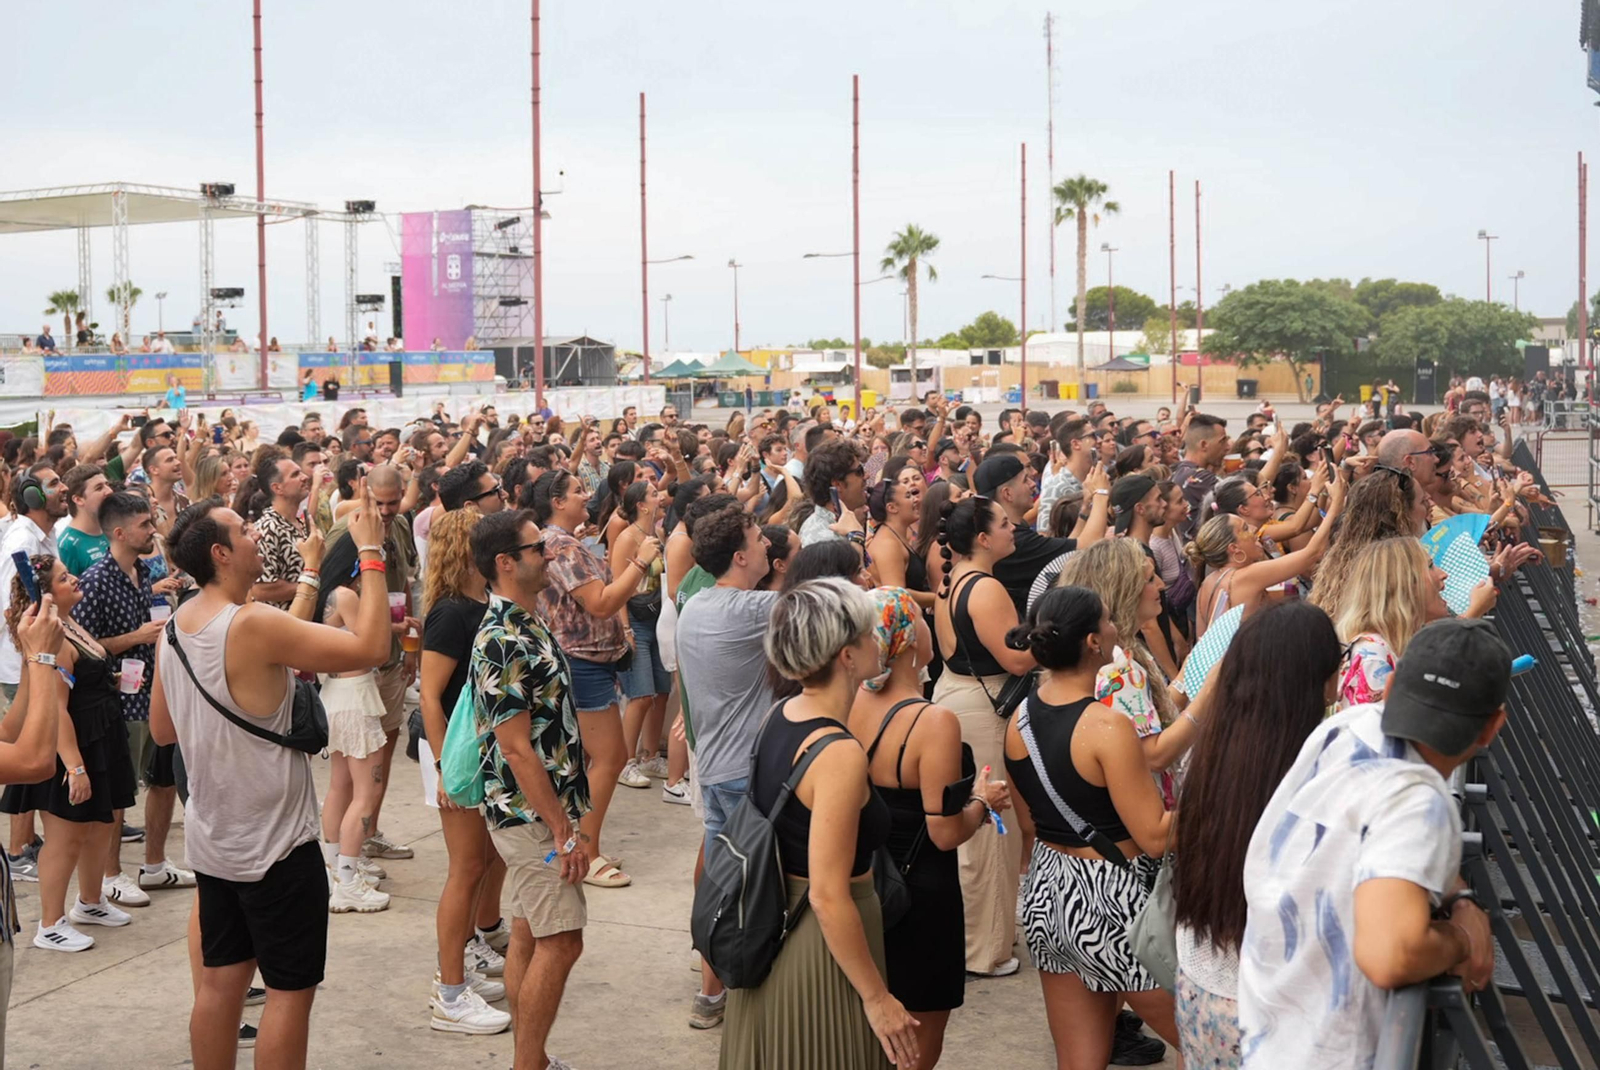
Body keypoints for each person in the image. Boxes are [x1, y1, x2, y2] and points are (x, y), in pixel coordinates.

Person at [149, 485, 390, 1070]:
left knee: (218, 986)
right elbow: (373, 645)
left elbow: (162, 731)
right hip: (276, 845)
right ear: (220, 555)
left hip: (213, 842)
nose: (256, 534)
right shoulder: (251, 623)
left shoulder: (177, 626)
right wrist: (370, 551)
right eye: (244, 531)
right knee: (288, 993)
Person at [1237, 619, 1502, 1068]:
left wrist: (1458, 896)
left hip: (1267, 1028)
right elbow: (1389, 955)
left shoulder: (1346, 727)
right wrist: (1462, 938)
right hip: (1334, 1052)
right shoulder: (1418, 800)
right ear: (1492, 727)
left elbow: (1367, 839)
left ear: (1393, 684)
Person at [720, 578, 918, 1070]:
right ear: (846, 656)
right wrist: (877, 998)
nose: (878, 641)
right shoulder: (837, 753)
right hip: (821, 950)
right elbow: (828, 895)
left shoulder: (780, 715)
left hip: (779, 932)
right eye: (869, 634)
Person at [1003, 585, 1179, 1069]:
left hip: (1049, 894)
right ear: (1093, 643)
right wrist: (1222, 803)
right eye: (1107, 620)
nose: (1114, 626)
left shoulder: (1017, 720)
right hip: (1113, 902)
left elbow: (1029, 824)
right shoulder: (1106, 725)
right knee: (1208, 1042)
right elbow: (1155, 835)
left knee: (1079, 1061)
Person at [1171, 602, 1342, 1068]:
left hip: (1201, 988)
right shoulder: (1316, 774)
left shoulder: (1207, 756)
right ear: (1318, 680)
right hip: (1272, 1008)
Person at [847, 587, 1010, 1068]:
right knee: (918, 1045)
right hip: (921, 896)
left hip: (867, 884)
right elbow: (944, 831)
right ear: (903, 638)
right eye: (919, 617)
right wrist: (983, 802)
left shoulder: (854, 701)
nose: (928, 624)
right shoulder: (934, 721)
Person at [468, 509, 591, 1070]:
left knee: (527, 932)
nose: (549, 553)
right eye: (536, 547)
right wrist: (563, 831)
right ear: (505, 562)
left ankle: (531, 1058)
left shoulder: (527, 619)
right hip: (529, 817)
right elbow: (516, 748)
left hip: (537, 811)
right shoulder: (499, 639)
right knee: (562, 940)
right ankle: (528, 1064)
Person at [528, 470, 659, 889]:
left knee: (588, 762)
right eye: (576, 492)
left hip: (591, 659)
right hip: (581, 661)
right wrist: (641, 562)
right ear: (556, 501)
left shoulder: (565, 542)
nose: (586, 495)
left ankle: (578, 842)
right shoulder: (560, 545)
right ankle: (588, 849)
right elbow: (600, 602)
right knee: (610, 757)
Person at [0, 556, 138, 950]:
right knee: (66, 835)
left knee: (99, 826)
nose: (75, 578)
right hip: (70, 746)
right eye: (64, 577)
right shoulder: (53, 642)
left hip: (100, 737)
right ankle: (50, 922)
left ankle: (90, 901)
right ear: (47, 596)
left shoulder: (70, 626)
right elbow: (55, 709)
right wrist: (74, 767)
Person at [674, 505, 775, 1029]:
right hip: (743, 774)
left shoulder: (698, 604)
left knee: (721, 884)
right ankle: (750, 996)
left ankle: (709, 996)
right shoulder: (749, 609)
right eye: (760, 539)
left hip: (713, 768)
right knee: (756, 895)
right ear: (740, 557)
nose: (767, 546)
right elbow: (831, 605)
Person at [930, 496, 1036, 978]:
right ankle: (986, 950)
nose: (1014, 527)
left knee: (977, 826)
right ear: (982, 537)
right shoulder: (986, 587)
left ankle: (977, 938)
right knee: (993, 831)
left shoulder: (952, 580)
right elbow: (1016, 659)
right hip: (984, 707)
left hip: (957, 695)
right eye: (1005, 523)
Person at [418, 506, 512, 1033]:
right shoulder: (453, 611)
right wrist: (442, 769)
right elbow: (430, 695)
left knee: (486, 860)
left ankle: (465, 963)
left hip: (479, 754)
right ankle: (449, 991)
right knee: (465, 869)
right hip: (455, 757)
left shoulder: (482, 602)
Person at [74, 492, 192, 906]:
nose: (153, 530)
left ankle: (154, 866)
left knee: (159, 779)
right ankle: (110, 875)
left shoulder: (143, 573)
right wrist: (136, 637)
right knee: (117, 793)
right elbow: (84, 649)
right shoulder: (95, 581)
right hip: (117, 703)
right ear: (120, 532)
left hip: (153, 694)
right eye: (145, 525)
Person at [323, 465, 420, 863]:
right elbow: (332, 603)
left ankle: (362, 841)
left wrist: (410, 648)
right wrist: (392, 631)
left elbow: (404, 586)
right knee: (354, 782)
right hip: (355, 672)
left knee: (374, 764)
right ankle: (348, 861)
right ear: (363, 494)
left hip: (388, 662)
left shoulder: (398, 527)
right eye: (377, 503)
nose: (384, 511)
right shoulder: (347, 532)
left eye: (392, 502)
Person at [307, 534, 394, 914]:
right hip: (355, 696)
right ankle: (347, 878)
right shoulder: (347, 595)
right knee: (366, 792)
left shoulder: (326, 596)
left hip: (333, 696)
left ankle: (333, 872)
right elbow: (372, 643)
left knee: (340, 786)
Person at [1332, 537, 1497, 709]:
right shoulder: (1372, 659)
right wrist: (1474, 612)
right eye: (1430, 566)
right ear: (1404, 584)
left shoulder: (1402, 641)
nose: (1443, 574)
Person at [0, 463, 66, 881]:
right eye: (54, 483)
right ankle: (19, 846)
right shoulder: (21, 540)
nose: (63, 488)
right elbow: (33, 760)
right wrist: (37, 656)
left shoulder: (44, 536)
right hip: (21, 657)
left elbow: (7, 739)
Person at [1187, 466, 1346, 638]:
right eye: (1245, 528)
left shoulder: (1208, 583)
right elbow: (1312, 553)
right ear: (1234, 549)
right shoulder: (1245, 576)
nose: (1255, 529)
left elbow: (1201, 638)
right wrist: (1336, 505)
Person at [974, 453, 1108, 617]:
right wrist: (1101, 493)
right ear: (1007, 493)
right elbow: (1088, 546)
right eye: (1025, 480)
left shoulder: (1015, 532)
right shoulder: (1014, 540)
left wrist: (1085, 509)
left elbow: (1066, 555)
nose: (1032, 485)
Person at [609, 481, 671, 790]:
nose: (659, 496)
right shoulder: (627, 538)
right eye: (653, 494)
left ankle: (649, 756)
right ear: (642, 505)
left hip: (657, 618)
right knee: (640, 694)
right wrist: (626, 628)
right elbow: (617, 584)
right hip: (635, 619)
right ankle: (624, 761)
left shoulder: (655, 534)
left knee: (660, 692)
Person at [247, 456, 310, 610]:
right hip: (283, 624)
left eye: (301, 472)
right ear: (277, 488)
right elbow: (261, 589)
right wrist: (313, 586)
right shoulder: (267, 528)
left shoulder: (302, 522)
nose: (304, 477)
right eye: (295, 475)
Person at [57, 463, 112, 577]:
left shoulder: (113, 530)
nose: (109, 491)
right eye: (99, 488)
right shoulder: (67, 546)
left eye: (107, 485)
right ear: (78, 499)